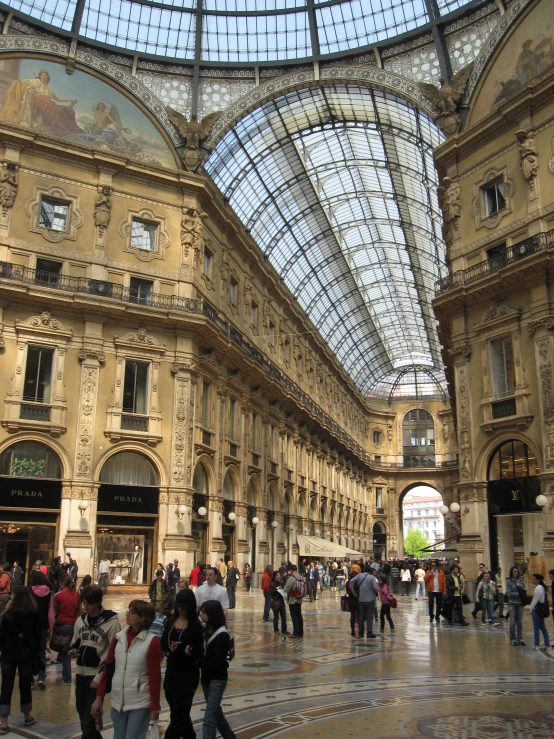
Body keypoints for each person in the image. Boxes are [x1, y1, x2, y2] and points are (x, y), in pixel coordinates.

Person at [92, 601, 161, 739]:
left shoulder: (151, 642)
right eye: (128, 611)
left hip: (139, 702)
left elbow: (155, 677)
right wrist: (99, 697)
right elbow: (108, 668)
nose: (127, 614)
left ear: (142, 618)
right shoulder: (119, 638)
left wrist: (155, 708)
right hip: (118, 702)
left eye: (132, 612)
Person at [72, 586, 121, 739]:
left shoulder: (111, 622)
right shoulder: (80, 621)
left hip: (96, 676)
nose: (85, 607)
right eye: (83, 603)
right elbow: (76, 642)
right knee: (83, 715)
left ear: (98, 602)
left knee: (89, 720)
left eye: (88, 603)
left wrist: (101, 678)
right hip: (80, 673)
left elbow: (114, 654)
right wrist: (73, 650)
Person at [161, 589, 204, 739]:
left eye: (184, 607)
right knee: (178, 711)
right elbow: (163, 643)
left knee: (179, 713)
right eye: (178, 606)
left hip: (187, 673)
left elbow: (200, 649)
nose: (180, 610)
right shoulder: (171, 621)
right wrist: (169, 647)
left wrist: (190, 648)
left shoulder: (195, 624)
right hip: (172, 670)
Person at [0, 586, 41, 733]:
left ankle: (4, 722)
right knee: (25, 684)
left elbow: (1, 637)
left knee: (6, 686)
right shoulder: (34, 614)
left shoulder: (7, 615)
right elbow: (38, 637)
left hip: (8, 654)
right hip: (25, 654)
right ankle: (27, 716)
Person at [197, 600, 236, 739]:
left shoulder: (222, 635)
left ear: (211, 613)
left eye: (203, 612)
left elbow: (218, 661)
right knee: (216, 714)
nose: (200, 614)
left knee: (209, 718)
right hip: (206, 678)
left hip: (217, 679)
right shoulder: (205, 629)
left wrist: (199, 662)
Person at [53, 575, 81, 685]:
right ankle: (66, 676)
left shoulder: (58, 596)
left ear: (63, 584)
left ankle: (67, 678)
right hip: (72, 624)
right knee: (66, 650)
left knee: (65, 653)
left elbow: (56, 611)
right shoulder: (77, 595)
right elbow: (79, 612)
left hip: (61, 624)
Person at [30, 571, 54, 690]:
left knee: (30, 652)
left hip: (31, 626)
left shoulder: (29, 592)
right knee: (42, 652)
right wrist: (51, 629)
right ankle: (41, 677)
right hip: (43, 626)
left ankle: (29, 679)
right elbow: (50, 614)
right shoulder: (49, 593)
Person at [350, 567, 379, 639]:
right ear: (370, 571)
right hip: (370, 599)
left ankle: (361, 633)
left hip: (361, 599)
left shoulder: (359, 575)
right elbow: (375, 587)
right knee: (369, 615)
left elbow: (351, 581)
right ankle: (369, 632)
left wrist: (353, 592)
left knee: (361, 615)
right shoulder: (372, 577)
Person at [529, 573, 551, 651]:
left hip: (537, 610)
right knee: (543, 627)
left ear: (538, 580)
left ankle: (537, 644)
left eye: (534, 579)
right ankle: (547, 645)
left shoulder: (538, 588)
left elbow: (535, 600)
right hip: (541, 610)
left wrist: (531, 609)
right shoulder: (541, 587)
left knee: (536, 627)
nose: (532, 580)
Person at [506, 566, 526, 646]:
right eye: (514, 572)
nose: (516, 573)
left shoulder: (521, 580)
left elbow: (524, 590)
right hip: (512, 604)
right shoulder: (509, 582)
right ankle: (513, 639)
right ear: (511, 572)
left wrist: (521, 590)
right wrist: (519, 593)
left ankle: (520, 638)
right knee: (512, 622)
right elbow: (509, 593)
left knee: (520, 622)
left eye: (517, 572)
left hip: (520, 604)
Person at [283, 564, 304, 638]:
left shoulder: (292, 578)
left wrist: (285, 586)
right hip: (299, 598)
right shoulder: (301, 577)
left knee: (294, 616)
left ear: (291, 570)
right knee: (299, 615)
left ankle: (296, 633)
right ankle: (301, 632)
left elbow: (286, 589)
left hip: (293, 599)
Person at [424, 559, 446, 625]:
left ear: (437, 566)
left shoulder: (441, 572)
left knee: (438, 604)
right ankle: (431, 615)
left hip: (439, 590)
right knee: (431, 602)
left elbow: (444, 582)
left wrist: (445, 590)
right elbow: (425, 579)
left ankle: (437, 616)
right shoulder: (428, 572)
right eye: (432, 565)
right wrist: (430, 574)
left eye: (434, 565)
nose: (433, 567)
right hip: (431, 590)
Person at [345, 572, 359, 638]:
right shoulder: (357, 582)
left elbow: (347, 590)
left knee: (352, 615)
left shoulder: (348, 582)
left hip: (350, 599)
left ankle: (352, 630)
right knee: (359, 614)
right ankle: (360, 630)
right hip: (358, 599)